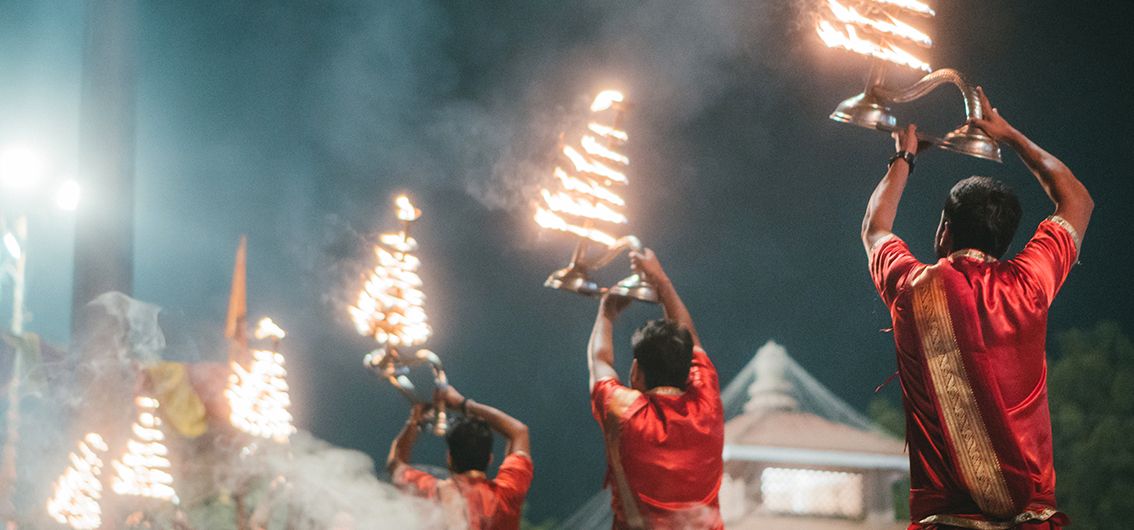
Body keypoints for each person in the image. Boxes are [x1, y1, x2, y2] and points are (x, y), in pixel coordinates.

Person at [862, 87, 1093, 529]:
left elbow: (875, 228)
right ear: (1005, 239)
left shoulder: (913, 290)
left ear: (944, 231)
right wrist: (1009, 136)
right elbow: (1077, 200)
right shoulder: (1031, 283)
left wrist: (904, 158)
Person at [588, 249, 724, 530]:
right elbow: (692, 342)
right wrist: (661, 281)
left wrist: (607, 312)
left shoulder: (624, 410)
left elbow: (598, 361)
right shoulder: (707, 406)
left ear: (636, 371)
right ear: (689, 370)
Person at [388, 386, 532, 530]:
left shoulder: (432, 492)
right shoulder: (507, 494)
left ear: (449, 458)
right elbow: (519, 431)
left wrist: (415, 420)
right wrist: (463, 404)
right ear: (490, 459)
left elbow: (395, 464)